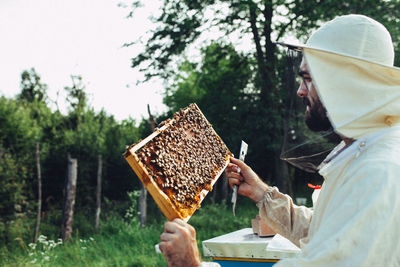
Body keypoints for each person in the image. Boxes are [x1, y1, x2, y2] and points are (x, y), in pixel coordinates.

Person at [159, 14, 400, 266]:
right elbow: (325, 233)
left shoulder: (378, 172)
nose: (300, 90)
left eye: (308, 78)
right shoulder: (366, 150)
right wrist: (264, 195)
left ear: (342, 81)